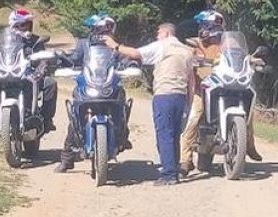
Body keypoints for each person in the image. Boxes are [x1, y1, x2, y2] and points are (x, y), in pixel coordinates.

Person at [109, 22, 195, 186]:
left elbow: (135, 53)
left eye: (159, 33)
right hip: (181, 95)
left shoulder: (162, 46)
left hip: (164, 94)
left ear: (167, 33)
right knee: (175, 134)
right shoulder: (186, 51)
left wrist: (115, 46)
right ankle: (174, 169)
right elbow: (191, 80)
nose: (157, 36)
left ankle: (169, 174)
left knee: (164, 134)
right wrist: (189, 101)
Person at [180, 10, 261, 175]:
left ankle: (248, 146)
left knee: (249, 113)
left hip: (227, 82)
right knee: (195, 116)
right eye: (204, 25)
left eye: (208, 24)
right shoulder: (195, 43)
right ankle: (186, 160)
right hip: (202, 87)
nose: (204, 28)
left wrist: (252, 60)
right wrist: (191, 59)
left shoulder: (228, 41)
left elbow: (241, 54)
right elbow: (186, 55)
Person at [54, 14, 132, 172]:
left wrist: (130, 63)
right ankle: (67, 158)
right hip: (88, 85)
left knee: (121, 101)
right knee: (76, 116)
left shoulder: (115, 46)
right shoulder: (84, 44)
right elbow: (74, 58)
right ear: (93, 29)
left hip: (110, 85)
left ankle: (122, 134)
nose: (104, 32)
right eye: (100, 28)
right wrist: (62, 59)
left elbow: (124, 58)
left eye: (108, 28)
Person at [0, 8, 57, 153]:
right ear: (13, 26)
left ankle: (47, 119)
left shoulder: (35, 41)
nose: (25, 28)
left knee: (50, 83)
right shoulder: (3, 42)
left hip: (30, 77)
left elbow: (44, 59)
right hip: (9, 76)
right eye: (22, 25)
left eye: (27, 24)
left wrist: (41, 71)